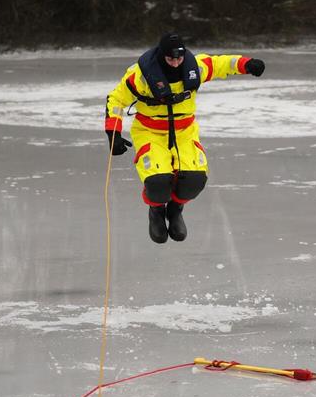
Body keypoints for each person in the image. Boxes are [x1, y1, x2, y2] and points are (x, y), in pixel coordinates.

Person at [104, 33, 266, 243]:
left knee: (195, 180)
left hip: (184, 132)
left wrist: (247, 64)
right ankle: (156, 212)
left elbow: (221, 64)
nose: (175, 63)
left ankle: (175, 210)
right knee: (158, 181)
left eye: (179, 58)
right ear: (162, 56)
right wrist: (113, 132)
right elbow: (116, 98)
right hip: (150, 132)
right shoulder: (141, 75)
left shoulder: (195, 67)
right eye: (170, 59)